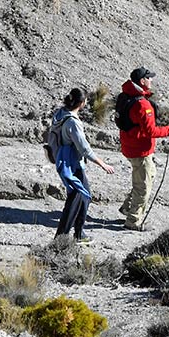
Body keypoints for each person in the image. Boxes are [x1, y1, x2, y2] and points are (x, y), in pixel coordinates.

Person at [49, 88, 116, 241]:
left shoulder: (60, 113)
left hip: (65, 161)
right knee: (77, 198)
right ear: (81, 103)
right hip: (73, 164)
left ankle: (77, 233)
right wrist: (102, 164)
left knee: (82, 196)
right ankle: (63, 237)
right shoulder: (72, 121)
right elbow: (84, 148)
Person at [116, 67, 169, 231]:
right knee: (144, 187)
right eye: (149, 78)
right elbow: (150, 131)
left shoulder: (126, 96)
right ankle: (133, 221)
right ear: (142, 81)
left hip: (130, 146)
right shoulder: (142, 105)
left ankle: (128, 208)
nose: (151, 81)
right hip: (139, 150)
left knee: (146, 177)